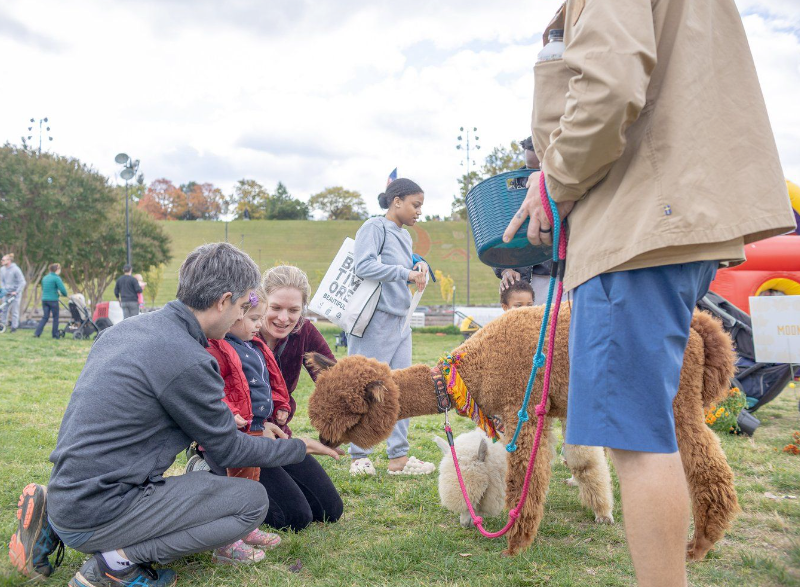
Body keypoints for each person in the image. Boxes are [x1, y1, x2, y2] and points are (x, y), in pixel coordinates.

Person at [503, 2, 795, 585]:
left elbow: (610, 86)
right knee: (645, 428)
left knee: (635, 440)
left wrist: (555, 181)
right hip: (671, 211)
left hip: (636, 224)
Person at [8, 243, 339, 586]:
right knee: (251, 500)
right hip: (101, 509)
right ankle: (117, 564)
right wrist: (301, 446)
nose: (241, 318)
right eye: (242, 307)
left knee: (211, 484)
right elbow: (231, 450)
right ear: (223, 301)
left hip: (71, 491)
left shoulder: (124, 331)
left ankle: (51, 519)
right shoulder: (189, 359)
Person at [348, 178, 435, 476]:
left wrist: (418, 266)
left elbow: (404, 264)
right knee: (368, 386)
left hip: (402, 319)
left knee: (401, 389)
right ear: (396, 201)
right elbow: (363, 265)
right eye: (416, 204)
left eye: (420, 206)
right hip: (376, 320)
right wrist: (405, 273)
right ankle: (359, 456)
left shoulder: (404, 236)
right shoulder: (373, 227)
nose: (419, 212)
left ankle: (398, 458)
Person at [205, 287, 289, 564]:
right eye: (254, 318)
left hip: (255, 426)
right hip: (237, 430)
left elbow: (271, 380)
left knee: (252, 481)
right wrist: (228, 412)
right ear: (236, 314)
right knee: (238, 484)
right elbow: (213, 388)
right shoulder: (218, 347)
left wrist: (280, 407)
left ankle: (246, 528)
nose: (259, 325)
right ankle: (227, 542)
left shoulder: (254, 346)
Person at [256, 265, 343, 530]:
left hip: (281, 436)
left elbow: (332, 380)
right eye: (276, 308)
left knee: (329, 510)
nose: (284, 318)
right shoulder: (241, 331)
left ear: (302, 310)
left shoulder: (303, 332)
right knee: (294, 518)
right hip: (246, 437)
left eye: (293, 310)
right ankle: (209, 471)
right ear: (262, 303)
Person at [495, 137, 571, 307]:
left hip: (567, 276)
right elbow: (501, 238)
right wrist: (505, 268)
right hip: (531, 281)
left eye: (540, 168)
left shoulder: (570, 183)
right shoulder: (513, 188)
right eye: (530, 169)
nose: (535, 176)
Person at [34, 263, 68, 339]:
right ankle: (54, 334)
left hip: (44, 300)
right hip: (53, 300)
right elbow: (62, 289)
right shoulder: (56, 278)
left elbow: (44, 289)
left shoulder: (45, 278)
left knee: (45, 317)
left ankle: (37, 333)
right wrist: (64, 294)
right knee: (56, 317)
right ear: (57, 269)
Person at [1, 253, 27, 332]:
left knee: (14, 311)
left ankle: (14, 327)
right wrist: (4, 290)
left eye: (3, 260)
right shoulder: (2, 270)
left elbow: (22, 282)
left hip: (15, 294)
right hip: (6, 293)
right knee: (4, 310)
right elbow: (2, 281)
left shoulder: (16, 269)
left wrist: (16, 291)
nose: (1, 261)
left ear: (9, 261)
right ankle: (3, 325)